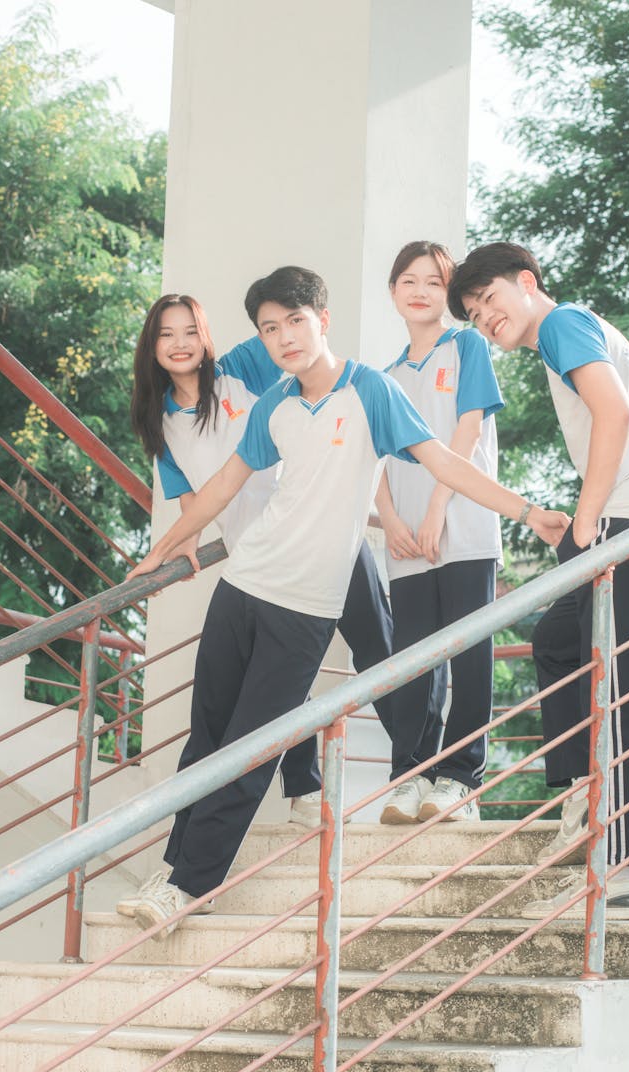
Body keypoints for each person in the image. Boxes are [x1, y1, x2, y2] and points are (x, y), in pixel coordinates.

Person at [122, 265, 570, 939]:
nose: (283, 338)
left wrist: (527, 509)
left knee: (248, 749)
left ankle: (190, 885)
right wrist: (160, 553)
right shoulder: (272, 404)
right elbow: (217, 491)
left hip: (306, 606)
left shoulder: (371, 392)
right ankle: (174, 867)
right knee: (206, 738)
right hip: (243, 585)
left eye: (293, 322)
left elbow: (444, 461)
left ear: (321, 319)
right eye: (269, 329)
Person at [448, 241, 629, 920]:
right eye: (474, 316)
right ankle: (580, 806)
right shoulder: (596, 336)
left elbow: (614, 415)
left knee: (616, 693)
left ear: (527, 283)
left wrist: (591, 522)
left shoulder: (563, 325)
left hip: (624, 527)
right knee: (559, 644)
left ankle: (616, 876)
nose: (485, 320)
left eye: (490, 301)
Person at [126, 294, 394, 839]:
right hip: (258, 564)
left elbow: (307, 357)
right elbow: (194, 498)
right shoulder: (159, 421)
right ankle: (305, 788)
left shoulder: (244, 367)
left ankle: (423, 770)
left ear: (205, 338)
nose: (180, 345)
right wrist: (179, 547)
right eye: (166, 335)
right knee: (269, 686)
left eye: (189, 332)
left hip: (324, 540)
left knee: (381, 653)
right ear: (151, 348)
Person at [375, 241, 504, 826]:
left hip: (465, 528)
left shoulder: (468, 344)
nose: (420, 290)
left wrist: (433, 510)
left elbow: (468, 432)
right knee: (413, 665)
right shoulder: (385, 377)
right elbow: (371, 463)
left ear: (447, 293)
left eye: (433, 280)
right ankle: (411, 777)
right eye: (409, 280)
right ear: (394, 291)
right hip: (406, 542)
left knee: (470, 658)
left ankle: (459, 780)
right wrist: (395, 521)